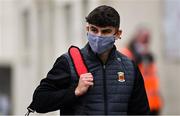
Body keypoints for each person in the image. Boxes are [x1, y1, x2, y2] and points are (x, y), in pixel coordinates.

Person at [27, 5, 150, 115]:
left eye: (105, 31)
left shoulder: (129, 67)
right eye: (94, 30)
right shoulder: (68, 62)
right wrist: (75, 91)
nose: (98, 37)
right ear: (87, 29)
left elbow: (141, 112)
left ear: (118, 34)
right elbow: (39, 101)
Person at [120, 27, 163, 115]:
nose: (145, 43)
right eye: (143, 39)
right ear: (136, 38)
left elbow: (153, 80)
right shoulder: (126, 54)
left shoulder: (148, 56)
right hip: (138, 104)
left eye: (147, 40)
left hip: (153, 104)